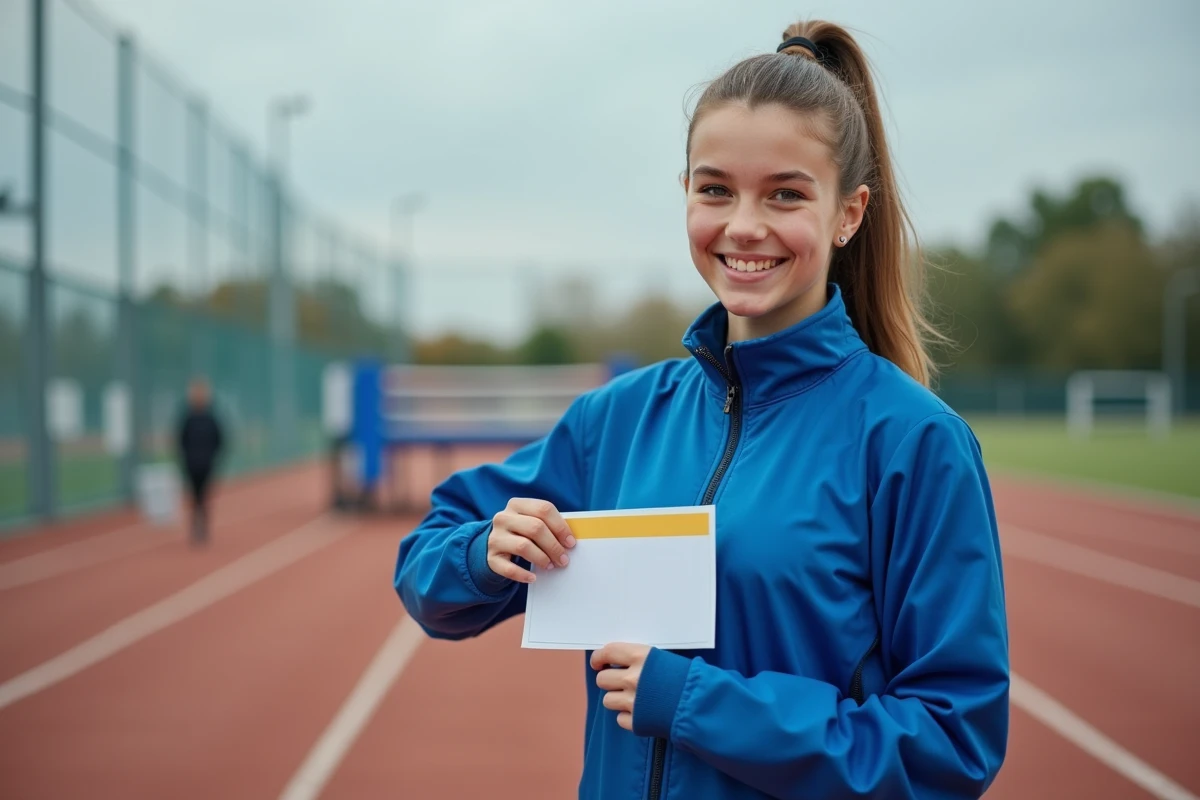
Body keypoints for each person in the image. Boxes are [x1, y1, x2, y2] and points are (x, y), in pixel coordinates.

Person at [393, 19, 1008, 800]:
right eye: (715, 188)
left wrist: (696, 704)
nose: (743, 225)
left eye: (785, 194)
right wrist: (485, 550)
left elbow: (952, 744)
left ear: (848, 213)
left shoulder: (914, 444)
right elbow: (426, 572)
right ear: (685, 192)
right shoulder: (614, 420)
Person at [176, 377, 224, 545]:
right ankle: (195, 525)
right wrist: (184, 457)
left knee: (203, 496)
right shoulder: (188, 418)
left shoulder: (211, 418)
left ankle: (203, 525)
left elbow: (220, 440)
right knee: (194, 496)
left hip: (206, 463)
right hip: (191, 463)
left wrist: (214, 457)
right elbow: (180, 440)